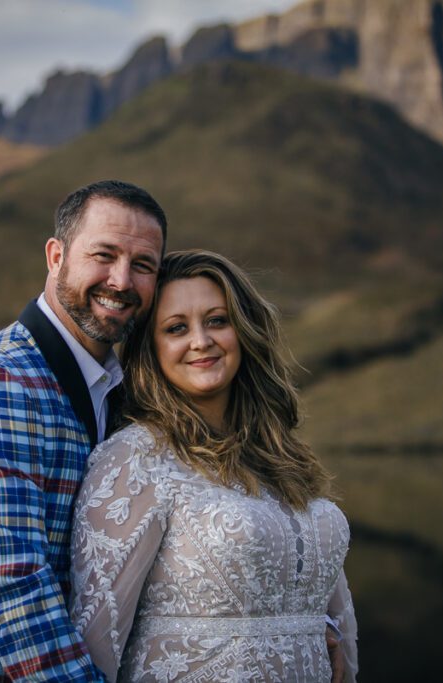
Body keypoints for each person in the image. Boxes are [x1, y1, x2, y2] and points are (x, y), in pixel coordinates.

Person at [0, 179, 166, 682]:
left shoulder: (125, 390)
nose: (121, 280)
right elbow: (11, 591)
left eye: (143, 265)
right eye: (103, 255)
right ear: (55, 255)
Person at [70, 250, 359, 681]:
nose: (201, 340)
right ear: (151, 349)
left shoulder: (281, 455)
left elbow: (313, 597)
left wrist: (320, 633)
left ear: (243, 331)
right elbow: (97, 634)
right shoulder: (137, 458)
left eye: (217, 321)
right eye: (176, 328)